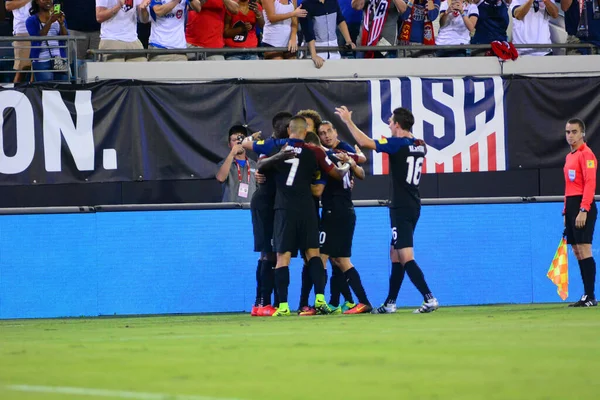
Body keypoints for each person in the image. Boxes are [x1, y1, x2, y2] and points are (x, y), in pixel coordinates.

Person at [335, 105, 439, 314]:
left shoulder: (397, 144)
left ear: (398, 125)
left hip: (400, 207)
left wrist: (348, 121)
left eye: (391, 121)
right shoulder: (420, 144)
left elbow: (364, 143)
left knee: (405, 255)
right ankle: (390, 303)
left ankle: (429, 298)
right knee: (394, 254)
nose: (389, 124)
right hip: (413, 204)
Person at [248, 116, 351, 317]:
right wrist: (347, 166)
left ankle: (284, 306)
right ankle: (320, 300)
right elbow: (337, 174)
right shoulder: (315, 152)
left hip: (284, 210)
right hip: (307, 209)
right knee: (313, 255)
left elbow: (260, 167)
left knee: (282, 257)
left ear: (289, 131)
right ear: (305, 132)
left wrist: (274, 161)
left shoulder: (277, 150)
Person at [316, 120, 372, 314]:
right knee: (336, 259)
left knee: (323, 257)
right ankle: (344, 301)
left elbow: (361, 171)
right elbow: (361, 169)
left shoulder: (340, 150)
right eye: (322, 133)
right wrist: (354, 161)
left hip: (337, 210)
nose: (326, 135)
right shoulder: (338, 151)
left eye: (329, 131)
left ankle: (323, 303)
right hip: (342, 210)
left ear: (335, 131)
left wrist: (351, 162)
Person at [250, 111, 293, 317]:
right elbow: (259, 164)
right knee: (268, 252)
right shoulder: (273, 146)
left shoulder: (277, 146)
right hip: (265, 203)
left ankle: (273, 302)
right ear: (286, 129)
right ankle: (261, 302)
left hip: (276, 204)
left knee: (275, 253)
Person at [563, 118, 598, 307]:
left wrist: (584, 209)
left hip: (583, 205)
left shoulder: (587, 155)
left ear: (582, 133)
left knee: (584, 249)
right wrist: (565, 210)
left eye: (574, 132)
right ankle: (586, 295)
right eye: (568, 132)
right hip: (571, 204)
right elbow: (569, 186)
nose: (570, 135)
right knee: (576, 250)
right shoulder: (570, 156)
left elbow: (590, 184)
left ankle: (591, 296)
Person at [298, 0, 356, 68]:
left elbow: (340, 20)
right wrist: (314, 55)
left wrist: (348, 41)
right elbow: (308, 32)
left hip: (334, 51)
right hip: (315, 52)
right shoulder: (305, 5)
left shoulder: (333, 2)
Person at [25, 0, 69, 82]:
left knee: (63, 87)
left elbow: (65, 38)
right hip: (42, 60)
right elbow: (38, 37)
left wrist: (61, 24)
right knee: (45, 90)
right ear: (37, 1)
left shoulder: (59, 17)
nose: (48, 1)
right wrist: (50, 21)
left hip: (59, 59)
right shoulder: (31, 20)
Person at [215, 125, 258, 203]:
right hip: (230, 210)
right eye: (234, 140)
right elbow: (220, 178)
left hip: (249, 208)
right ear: (229, 144)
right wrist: (232, 154)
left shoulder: (254, 165)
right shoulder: (224, 163)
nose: (238, 142)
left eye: (241, 139)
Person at [6, 0, 32, 83]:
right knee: (22, 68)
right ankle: (16, 93)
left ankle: (34, 93)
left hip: (40, 28)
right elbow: (8, 6)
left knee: (37, 68)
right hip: (22, 30)